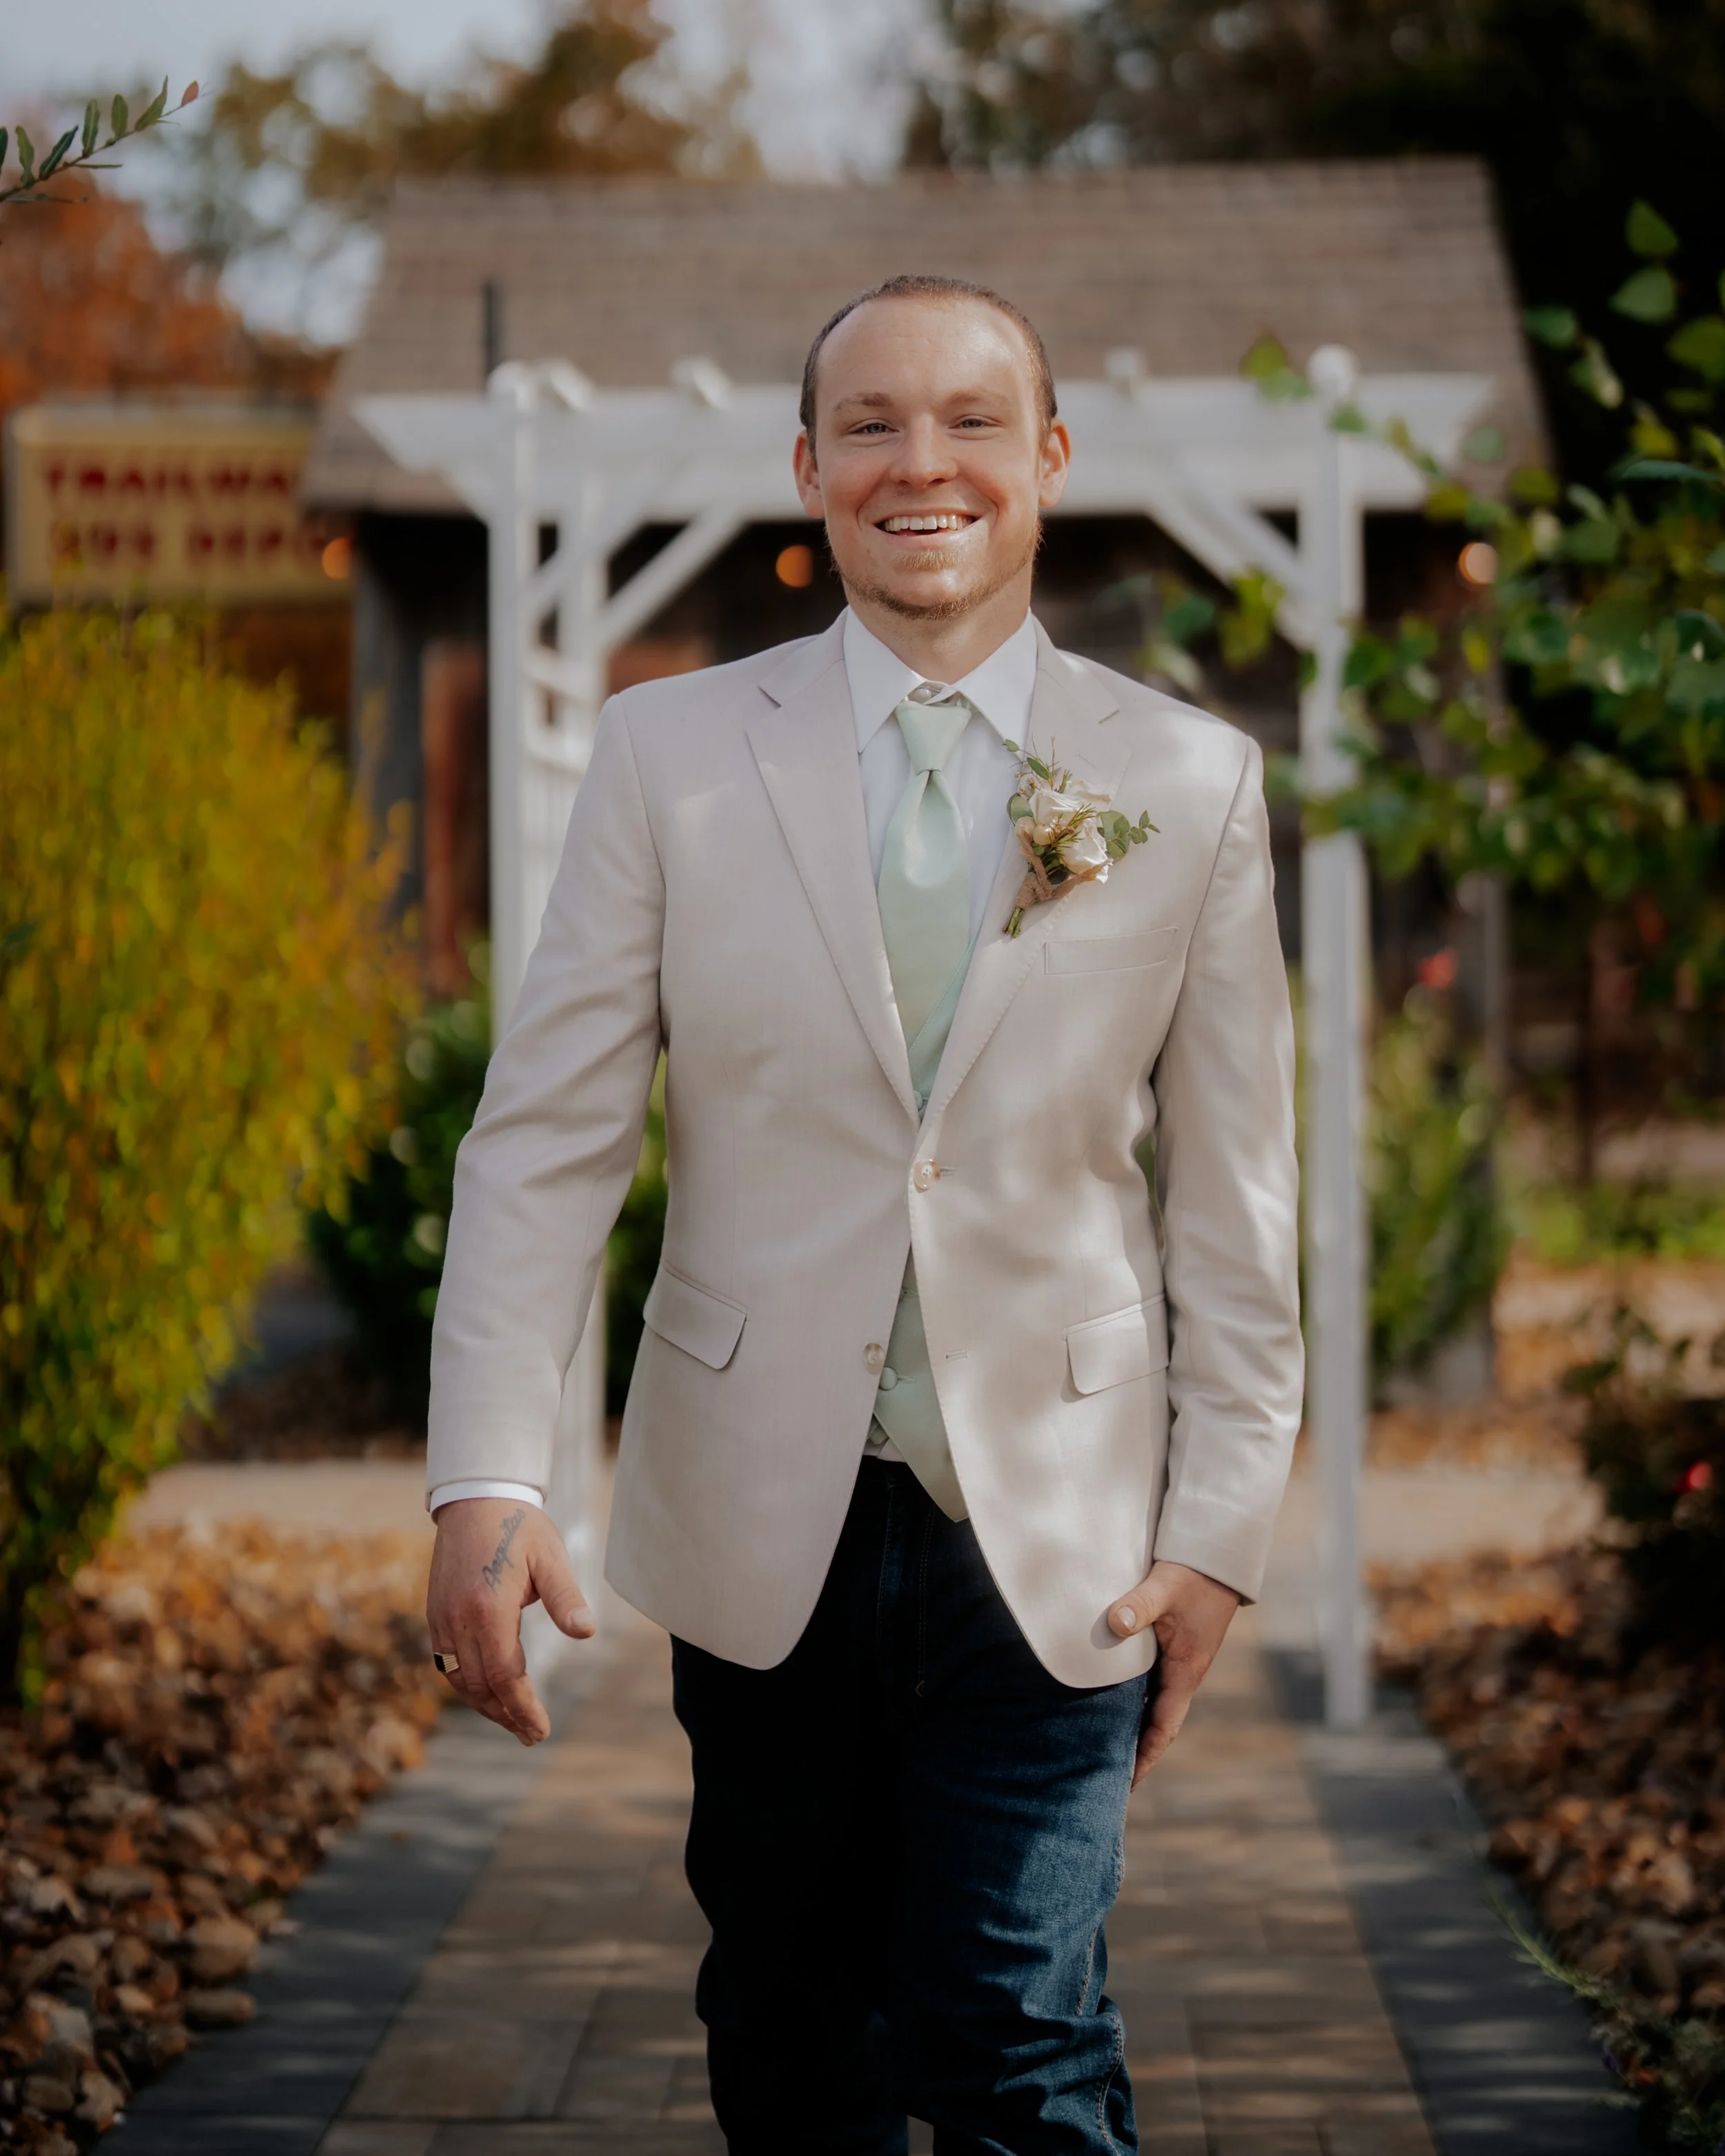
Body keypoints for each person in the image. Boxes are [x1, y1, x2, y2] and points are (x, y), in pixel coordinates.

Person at [422, 272, 1302, 2155]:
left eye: (975, 419)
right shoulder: (667, 756)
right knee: (792, 2028)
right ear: (808, 470)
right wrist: (486, 1478)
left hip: (1056, 1528)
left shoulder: (1182, 778)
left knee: (1015, 2032)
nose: (928, 463)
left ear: (1048, 460)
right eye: (875, 425)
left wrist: (1220, 1525)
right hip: (757, 1523)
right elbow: (546, 1139)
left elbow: (1233, 1200)